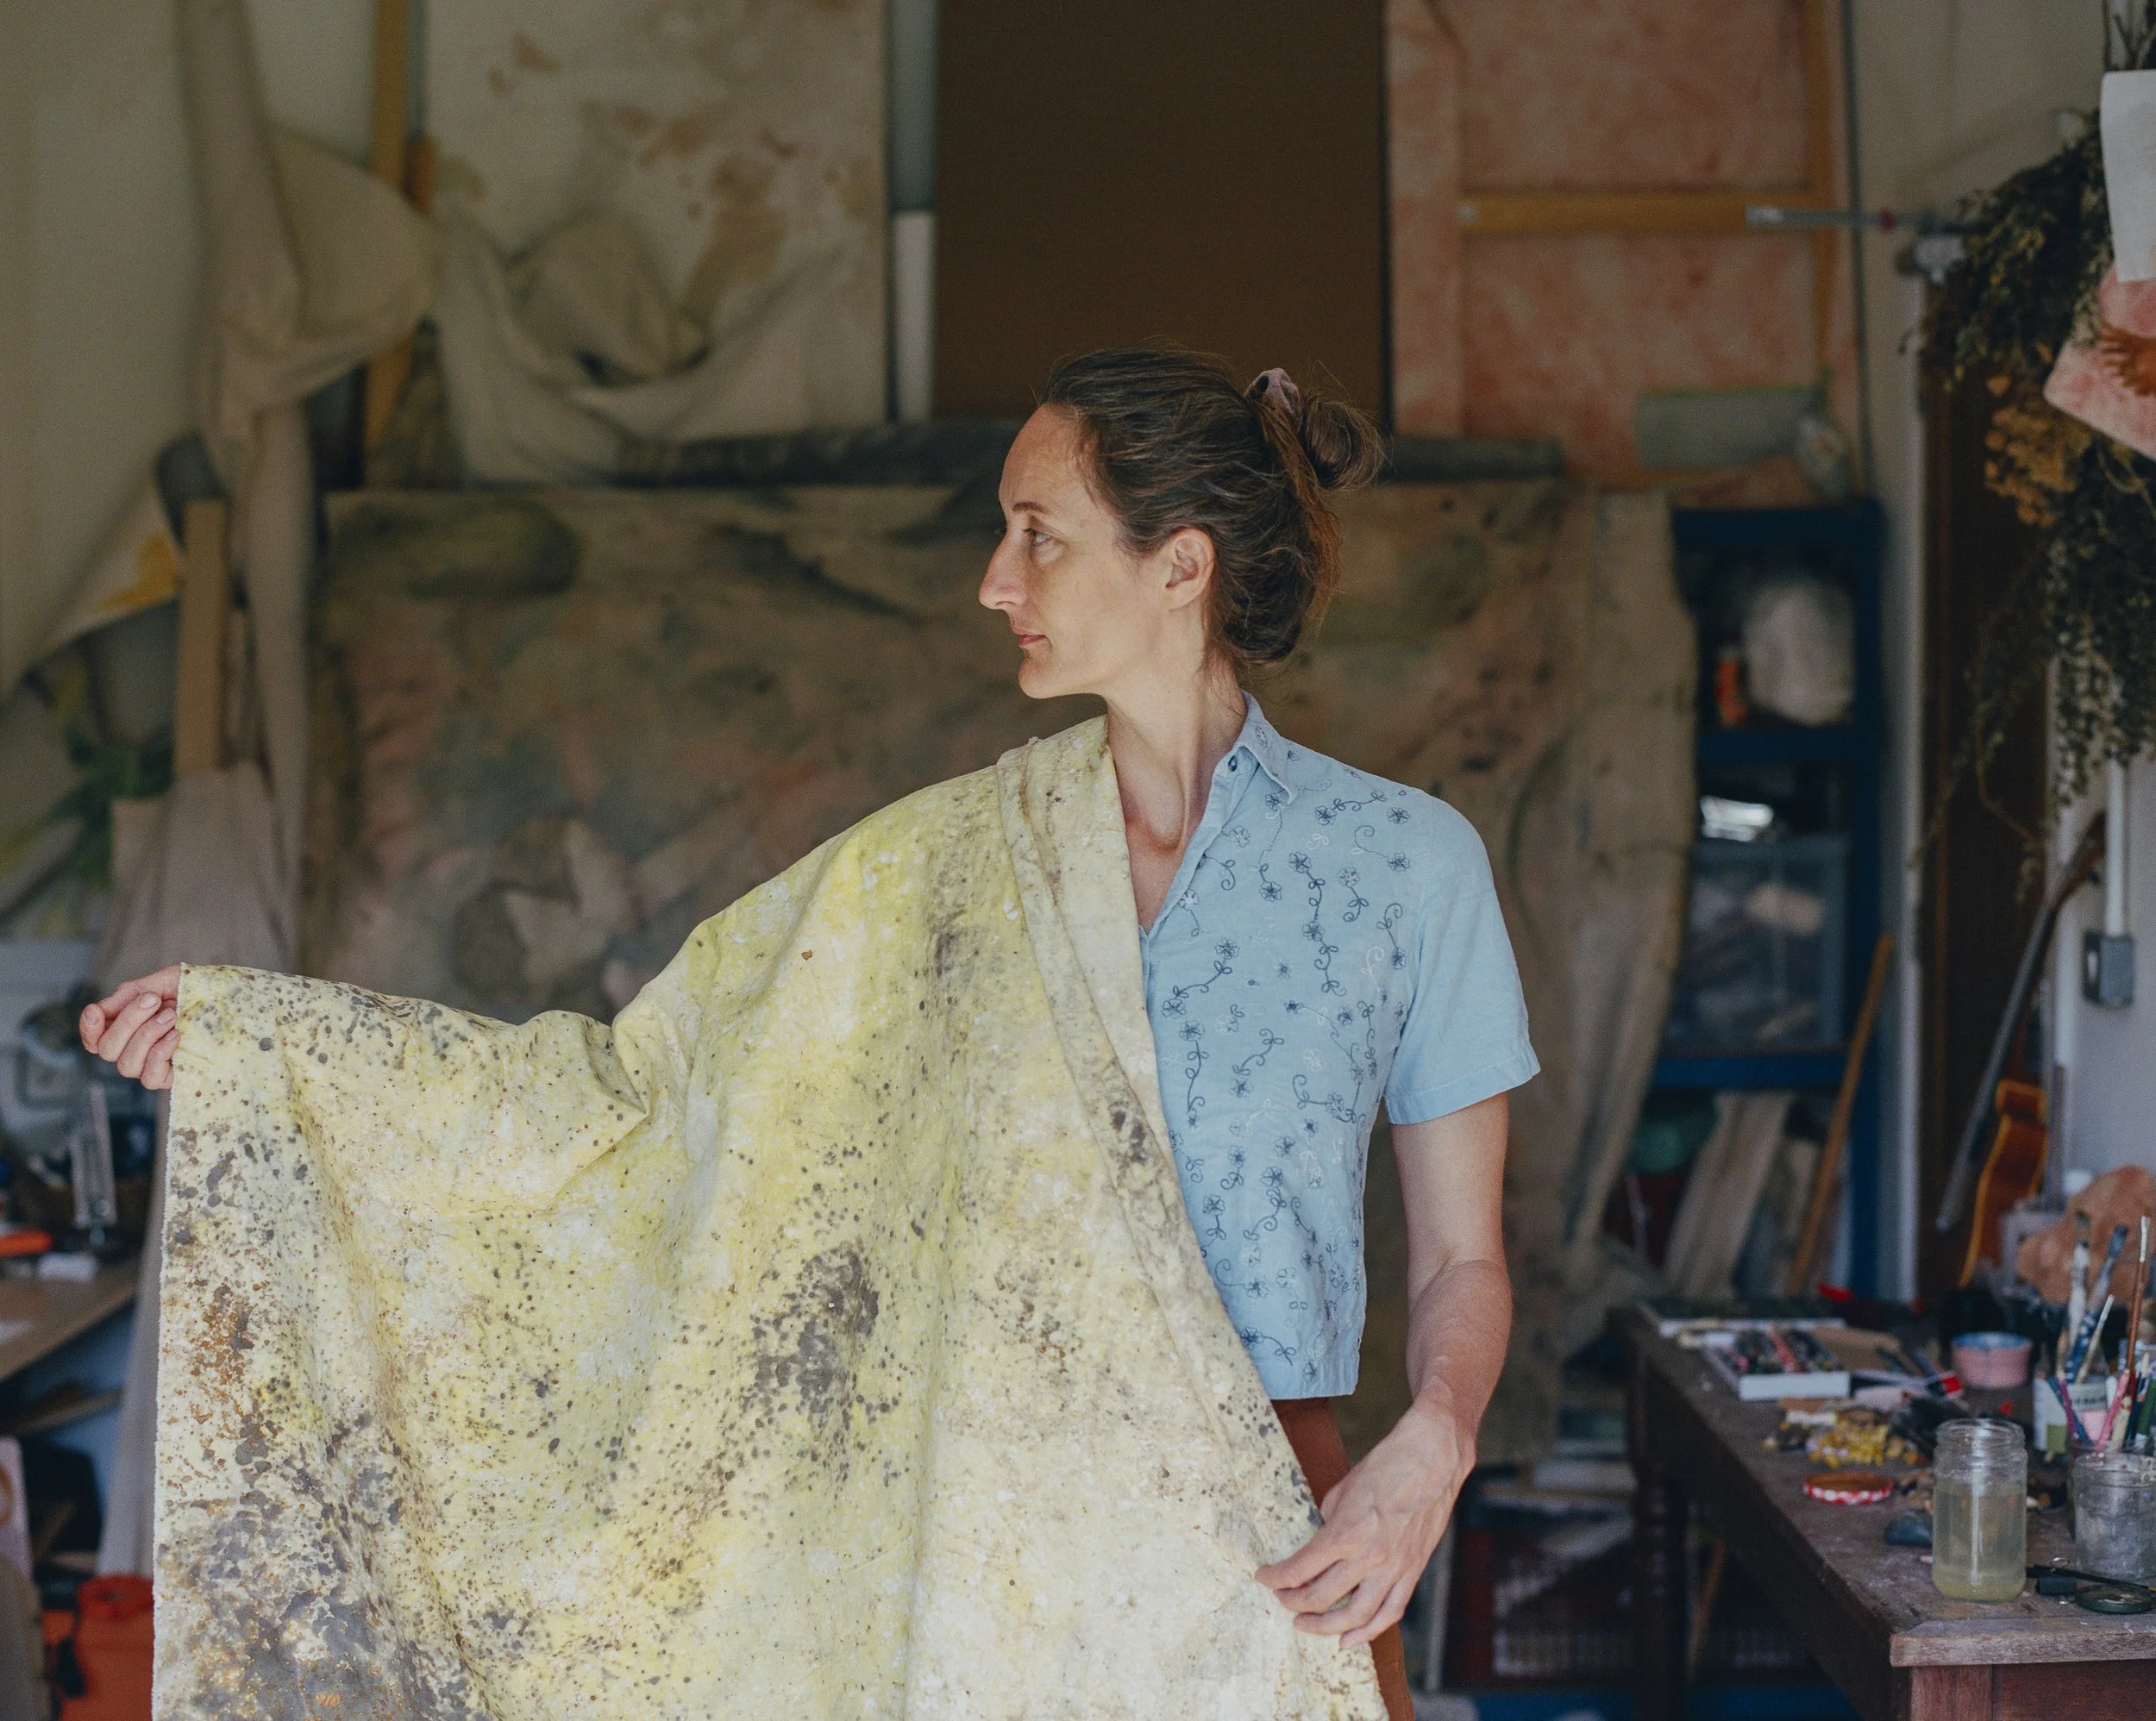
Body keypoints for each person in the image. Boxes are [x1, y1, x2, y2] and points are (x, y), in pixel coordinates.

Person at [84, 347, 1533, 1720]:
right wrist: (270, 1051)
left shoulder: (1403, 872)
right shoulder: (939, 874)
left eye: (1039, 535)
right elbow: (637, 1101)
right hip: (973, 1542)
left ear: (1181, 566)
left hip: (1275, 1534)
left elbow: (1465, 1256)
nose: (993, 581)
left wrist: (1435, 1444)